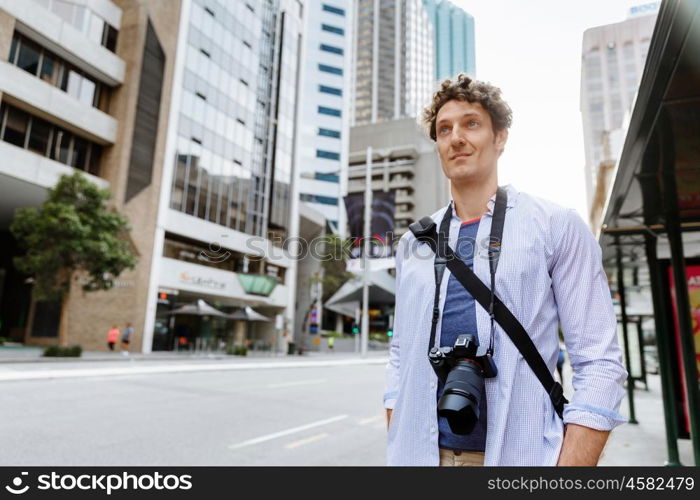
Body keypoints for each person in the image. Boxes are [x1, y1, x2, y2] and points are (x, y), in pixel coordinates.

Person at [383, 74, 627, 466]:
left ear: (501, 138)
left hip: (523, 457)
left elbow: (599, 361)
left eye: (471, 124)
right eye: (444, 129)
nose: (456, 138)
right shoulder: (414, 243)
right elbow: (401, 354)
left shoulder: (555, 225)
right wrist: (397, 425)